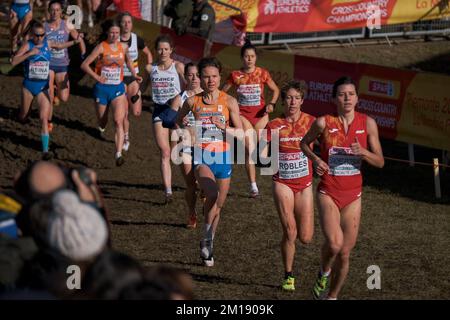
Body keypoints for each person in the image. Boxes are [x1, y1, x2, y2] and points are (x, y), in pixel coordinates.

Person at [300, 76, 384, 300]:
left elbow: (380, 161)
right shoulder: (323, 122)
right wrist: (316, 160)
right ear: (334, 98)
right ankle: (324, 272)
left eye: (351, 94)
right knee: (335, 244)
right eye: (341, 94)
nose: (347, 98)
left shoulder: (367, 123)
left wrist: (364, 152)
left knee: (345, 253)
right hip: (329, 190)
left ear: (357, 98)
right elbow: (303, 144)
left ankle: (332, 296)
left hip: (353, 195)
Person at [176, 57, 243, 267]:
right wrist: (185, 127)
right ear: (200, 79)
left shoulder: (229, 102)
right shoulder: (192, 102)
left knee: (218, 206)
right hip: (202, 156)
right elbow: (178, 120)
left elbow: (241, 133)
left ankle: (208, 242)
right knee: (211, 194)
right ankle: (206, 236)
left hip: (223, 158)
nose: (210, 80)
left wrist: (224, 128)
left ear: (219, 77)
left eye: (214, 76)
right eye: (206, 76)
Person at [263, 80, 314, 291]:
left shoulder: (312, 122)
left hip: (305, 185)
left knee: (306, 237)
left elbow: (329, 144)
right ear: (283, 101)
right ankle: (288, 275)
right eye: (288, 98)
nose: (292, 102)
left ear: (302, 100)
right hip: (282, 183)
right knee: (291, 232)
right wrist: (262, 156)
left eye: (296, 98)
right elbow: (262, 152)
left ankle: (288, 236)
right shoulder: (274, 125)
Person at [11, 21, 82, 159]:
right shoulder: (28, 45)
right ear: (32, 34)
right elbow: (14, 61)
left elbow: (60, 45)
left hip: (43, 87)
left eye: (42, 35)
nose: (40, 38)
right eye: (37, 36)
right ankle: (20, 114)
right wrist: (29, 53)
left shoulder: (47, 43)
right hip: (28, 87)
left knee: (44, 119)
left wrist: (75, 42)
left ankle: (45, 151)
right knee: (23, 116)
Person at [81, 20, 142, 166]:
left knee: (118, 121)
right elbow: (84, 65)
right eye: (112, 33)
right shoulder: (101, 47)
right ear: (107, 33)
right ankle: (101, 124)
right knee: (103, 121)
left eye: (117, 33)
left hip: (118, 89)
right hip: (102, 89)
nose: (114, 35)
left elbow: (128, 61)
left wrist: (134, 74)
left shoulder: (124, 47)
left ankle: (118, 154)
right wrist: (96, 77)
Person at [222, 40, 279, 198]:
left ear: (256, 58)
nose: (249, 59)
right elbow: (222, 93)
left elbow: (275, 90)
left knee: (262, 154)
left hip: (261, 116)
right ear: (242, 58)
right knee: (249, 150)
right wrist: (231, 107)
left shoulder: (262, 73)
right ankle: (253, 186)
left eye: (252, 56)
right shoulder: (235, 75)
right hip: (244, 116)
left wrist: (272, 104)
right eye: (246, 56)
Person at [145, 34, 185, 203]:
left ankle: (194, 181)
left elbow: (188, 85)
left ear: (171, 50)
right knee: (165, 151)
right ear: (156, 50)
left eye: (166, 49)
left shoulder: (177, 66)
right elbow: (142, 84)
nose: (163, 52)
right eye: (160, 49)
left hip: (176, 110)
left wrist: (183, 100)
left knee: (182, 152)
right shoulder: (150, 68)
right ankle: (168, 191)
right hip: (159, 110)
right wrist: (136, 94)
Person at [170, 62, 203, 228]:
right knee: (191, 184)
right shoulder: (179, 98)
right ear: (185, 77)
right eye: (190, 75)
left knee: (204, 182)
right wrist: (178, 123)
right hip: (185, 145)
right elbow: (171, 122)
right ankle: (192, 213)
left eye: (197, 75)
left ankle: (205, 196)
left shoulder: (207, 96)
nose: (194, 78)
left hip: (205, 146)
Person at [118, 12, 153, 152]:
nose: (126, 25)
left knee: (137, 112)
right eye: (124, 22)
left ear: (132, 25)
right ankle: (126, 137)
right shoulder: (115, 38)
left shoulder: (136, 39)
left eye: (129, 22)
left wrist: (149, 69)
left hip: (133, 77)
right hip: (119, 78)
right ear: (120, 24)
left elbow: (148, 53)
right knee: (124, 113)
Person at [44, 0, 86, 109]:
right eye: (52, 10)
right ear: (49, 11)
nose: (54, 12)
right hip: (48, 63)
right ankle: (48, 121)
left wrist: (83, 54)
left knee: (64, 98)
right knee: (49, 95)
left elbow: (79, 39)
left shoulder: (67, 25)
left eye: (57, 10)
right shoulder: (44, 26)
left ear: (60, 11)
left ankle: (55, 88)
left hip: (62, 64)